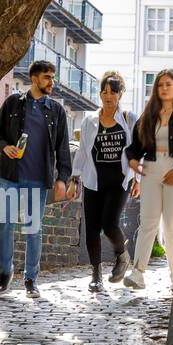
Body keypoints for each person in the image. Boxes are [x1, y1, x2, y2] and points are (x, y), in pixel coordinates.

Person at [0, 60, 72, 298]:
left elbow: (62, 148)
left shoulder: (56, 111)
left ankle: (31, 279)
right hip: (10, 177)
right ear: (34, 78)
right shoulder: (14, 103)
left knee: (33, 229)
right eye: (47, 77)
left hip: (38, 179)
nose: (51, 82)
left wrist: (63, 178)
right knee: (6, 226)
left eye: (52, 77)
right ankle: (5, 275)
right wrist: (5, 147)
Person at [123, 69, 173, 289]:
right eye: (160, 85)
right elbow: (135, 146)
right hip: (150, 168)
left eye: (168, 84)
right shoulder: (149, 115)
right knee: (148, 221)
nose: (164, 88)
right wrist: (132, 160)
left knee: (171, 223)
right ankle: (137, 272)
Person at [70, 71, 139, 292]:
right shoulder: (90, 120)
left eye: (113, 91)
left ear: (120, 94)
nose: (108, 96)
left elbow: (139, 151)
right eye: (104, 91)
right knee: (91, 229)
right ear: (100, 94)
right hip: (93, 181)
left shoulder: (130, 119)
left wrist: (137, 178)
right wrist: (74, 178)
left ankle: (122, 254)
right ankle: (96, 274)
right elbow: (82, 152)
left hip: (119, 181)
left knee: (109, 224)